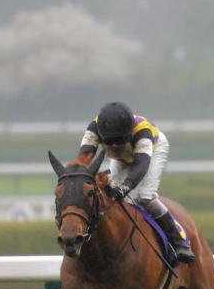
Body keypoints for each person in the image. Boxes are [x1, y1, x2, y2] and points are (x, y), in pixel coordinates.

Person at [77, 102, 194, 262]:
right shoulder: (94, 128)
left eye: (119, 141)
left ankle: (179, 242)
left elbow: (141, 166)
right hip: (124, 157)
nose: (115, 146)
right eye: (111, 142)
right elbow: (83, 161)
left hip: (153, 149)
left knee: (144, 197)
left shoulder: (143, 132)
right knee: (115, 199)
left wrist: (125, 187)